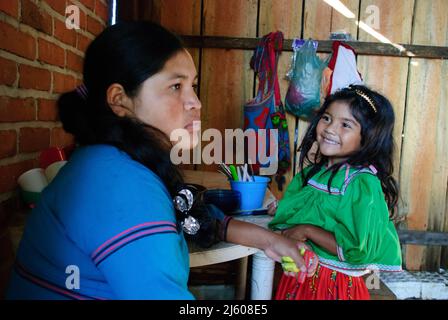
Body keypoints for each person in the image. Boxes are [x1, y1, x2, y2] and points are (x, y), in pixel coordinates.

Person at [6, 21, 309, 300]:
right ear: (119, 99)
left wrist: (269, 240)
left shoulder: (109, 160)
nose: (196, 103)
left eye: (193, 85)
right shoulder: (122, 185)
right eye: (176, 86)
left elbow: (193, 217)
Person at [269, 85, 403, 300]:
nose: (330, 129)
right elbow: (315, 213)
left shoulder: (361, 183)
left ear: (367, 137)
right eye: (327, 118)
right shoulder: (315, 174)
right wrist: (286, 210)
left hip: (333, 286)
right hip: (301, 277)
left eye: (345, 125)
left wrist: (307, 230)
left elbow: (356, 251)